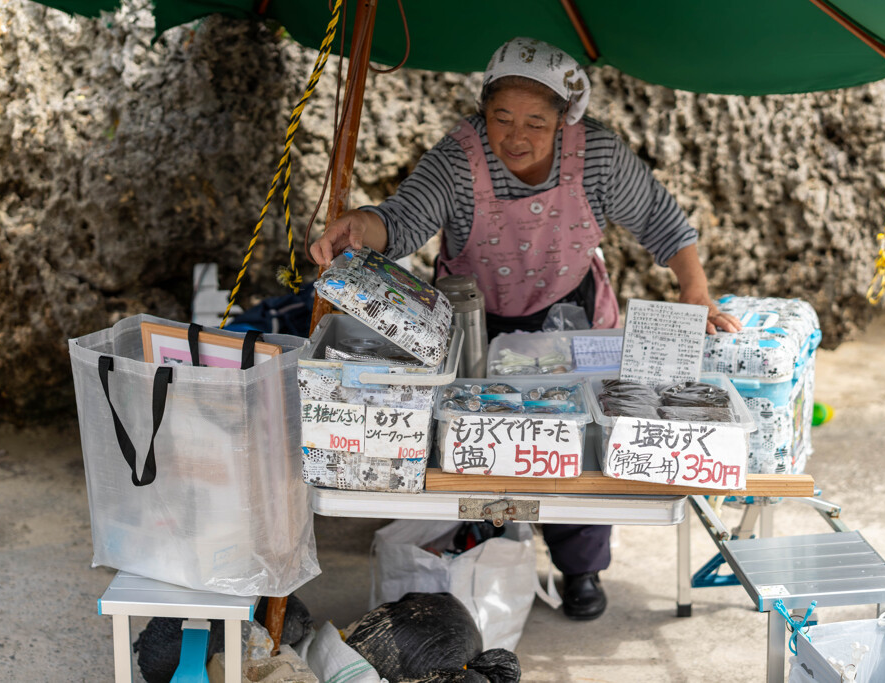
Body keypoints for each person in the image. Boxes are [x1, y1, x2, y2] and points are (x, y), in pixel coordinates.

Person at [311, 37, 741, 620]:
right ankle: (480, 547)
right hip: (476, 319)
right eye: (501, 117)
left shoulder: (598, 157)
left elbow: (663, 221)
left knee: (577, 443)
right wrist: (359, 227)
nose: (516, 136)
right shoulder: (457, 160)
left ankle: (581, 568)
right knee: (482, 439)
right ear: (482, 111)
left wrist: (696, 292)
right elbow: (403, 221)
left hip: (570, 314)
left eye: (536, 122)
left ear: (565, 118)